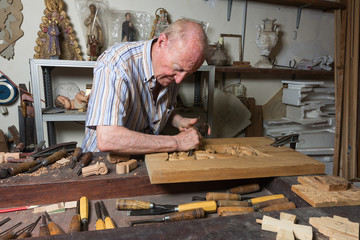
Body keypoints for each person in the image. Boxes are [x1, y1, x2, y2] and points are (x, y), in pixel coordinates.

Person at [82, 19, 208, 154]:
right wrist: (177, 142)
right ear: (162, 42)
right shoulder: (116, 64)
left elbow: (150, 111)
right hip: (101, 163)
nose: (179, 80)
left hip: (141, 159)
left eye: (188, 73)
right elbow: (108, 138)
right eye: (178, 69)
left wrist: (177, 120)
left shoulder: (171, 72)